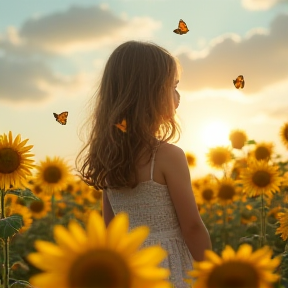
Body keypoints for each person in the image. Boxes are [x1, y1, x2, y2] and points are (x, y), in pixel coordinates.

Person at [76, 40, 212, 288]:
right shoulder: (169, 156)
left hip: (131, 269)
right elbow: (192, 226)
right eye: (172, 87)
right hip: (170, 268)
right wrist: (211, 272)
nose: (177, 96)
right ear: (151, 93)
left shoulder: (108, 157)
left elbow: (111, 229)